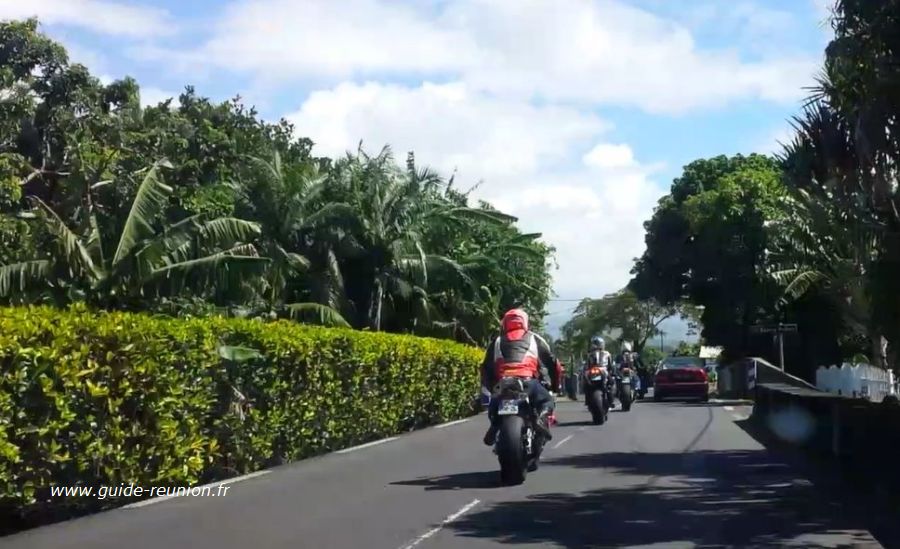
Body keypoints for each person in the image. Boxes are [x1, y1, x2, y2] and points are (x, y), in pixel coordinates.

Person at [481, 308, 561, 446]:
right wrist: (555, 385)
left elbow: (485, 369)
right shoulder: (534, 338)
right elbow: (553, 363)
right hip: (527, 381)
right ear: (525, 322)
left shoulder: (497, 341)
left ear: (504, 324)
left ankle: (494, 426)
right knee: (547, 401)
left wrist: (492, 388)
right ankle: (540, 420)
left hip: (503, 382)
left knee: (494, 405)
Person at [584, 335, 615, 408]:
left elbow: (586, 366)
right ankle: (611, 400)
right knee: (611, 383)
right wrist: (612, 372)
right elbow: (611, 366)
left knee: (586, 384)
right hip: (603, 371)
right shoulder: (607, 353)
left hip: (592, 372)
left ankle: (587, 400)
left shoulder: (590, 354)